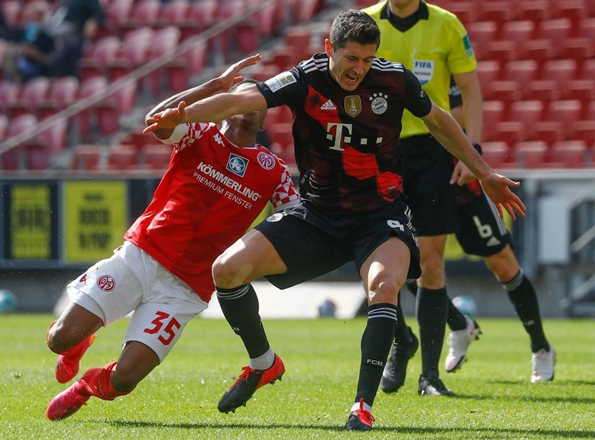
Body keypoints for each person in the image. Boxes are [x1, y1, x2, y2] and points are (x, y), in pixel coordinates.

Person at [144, 10, 525, 431]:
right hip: (317, 215)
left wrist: (484, 172)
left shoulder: (394, 80)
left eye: (367, 59)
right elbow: (240, 100)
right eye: (351, 58)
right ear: (330, 49)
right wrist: (185, 114)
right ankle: (263, 362)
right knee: (226, 270)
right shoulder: (305, 78)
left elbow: (437, 119)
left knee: (384, 288)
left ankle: (362, 406)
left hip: (380, 218)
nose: (359, 69)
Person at [44, 55, 301, 421]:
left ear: (264, 119)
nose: (248, 106)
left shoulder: (273, 170)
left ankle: (85, 387)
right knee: (59, 339)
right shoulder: (199, 134)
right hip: (140, 257)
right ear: (225, 107)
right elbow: (156, 119)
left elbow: (296, 217)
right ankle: (76, 345)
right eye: (239, 99)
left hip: (185, 290)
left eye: (257, 103)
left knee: (124, 380)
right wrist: (215, 86)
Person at [364, 0, 487, 397]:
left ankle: (430, 377)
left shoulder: (446, 24)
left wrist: (473, 150)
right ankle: (402, 341)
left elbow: (470, 89)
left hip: (432, 152)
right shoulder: (365, 23)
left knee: (431, 262)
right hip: (376, 151)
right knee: (375, 257)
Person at [402, 78, 555, 384]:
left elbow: (458, 113)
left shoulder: (441, 68)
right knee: (413, 267)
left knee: (503, 264)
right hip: (420, 182)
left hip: (459, 180)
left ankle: (541, 347)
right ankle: (460, 325)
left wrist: (468, 154)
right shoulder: (388, 70)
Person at [44, 0, 104, 78]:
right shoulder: (65, 2)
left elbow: (98, 15)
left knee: (60, 56)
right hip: (57, 34)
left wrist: (93, 21)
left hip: (75, 34)